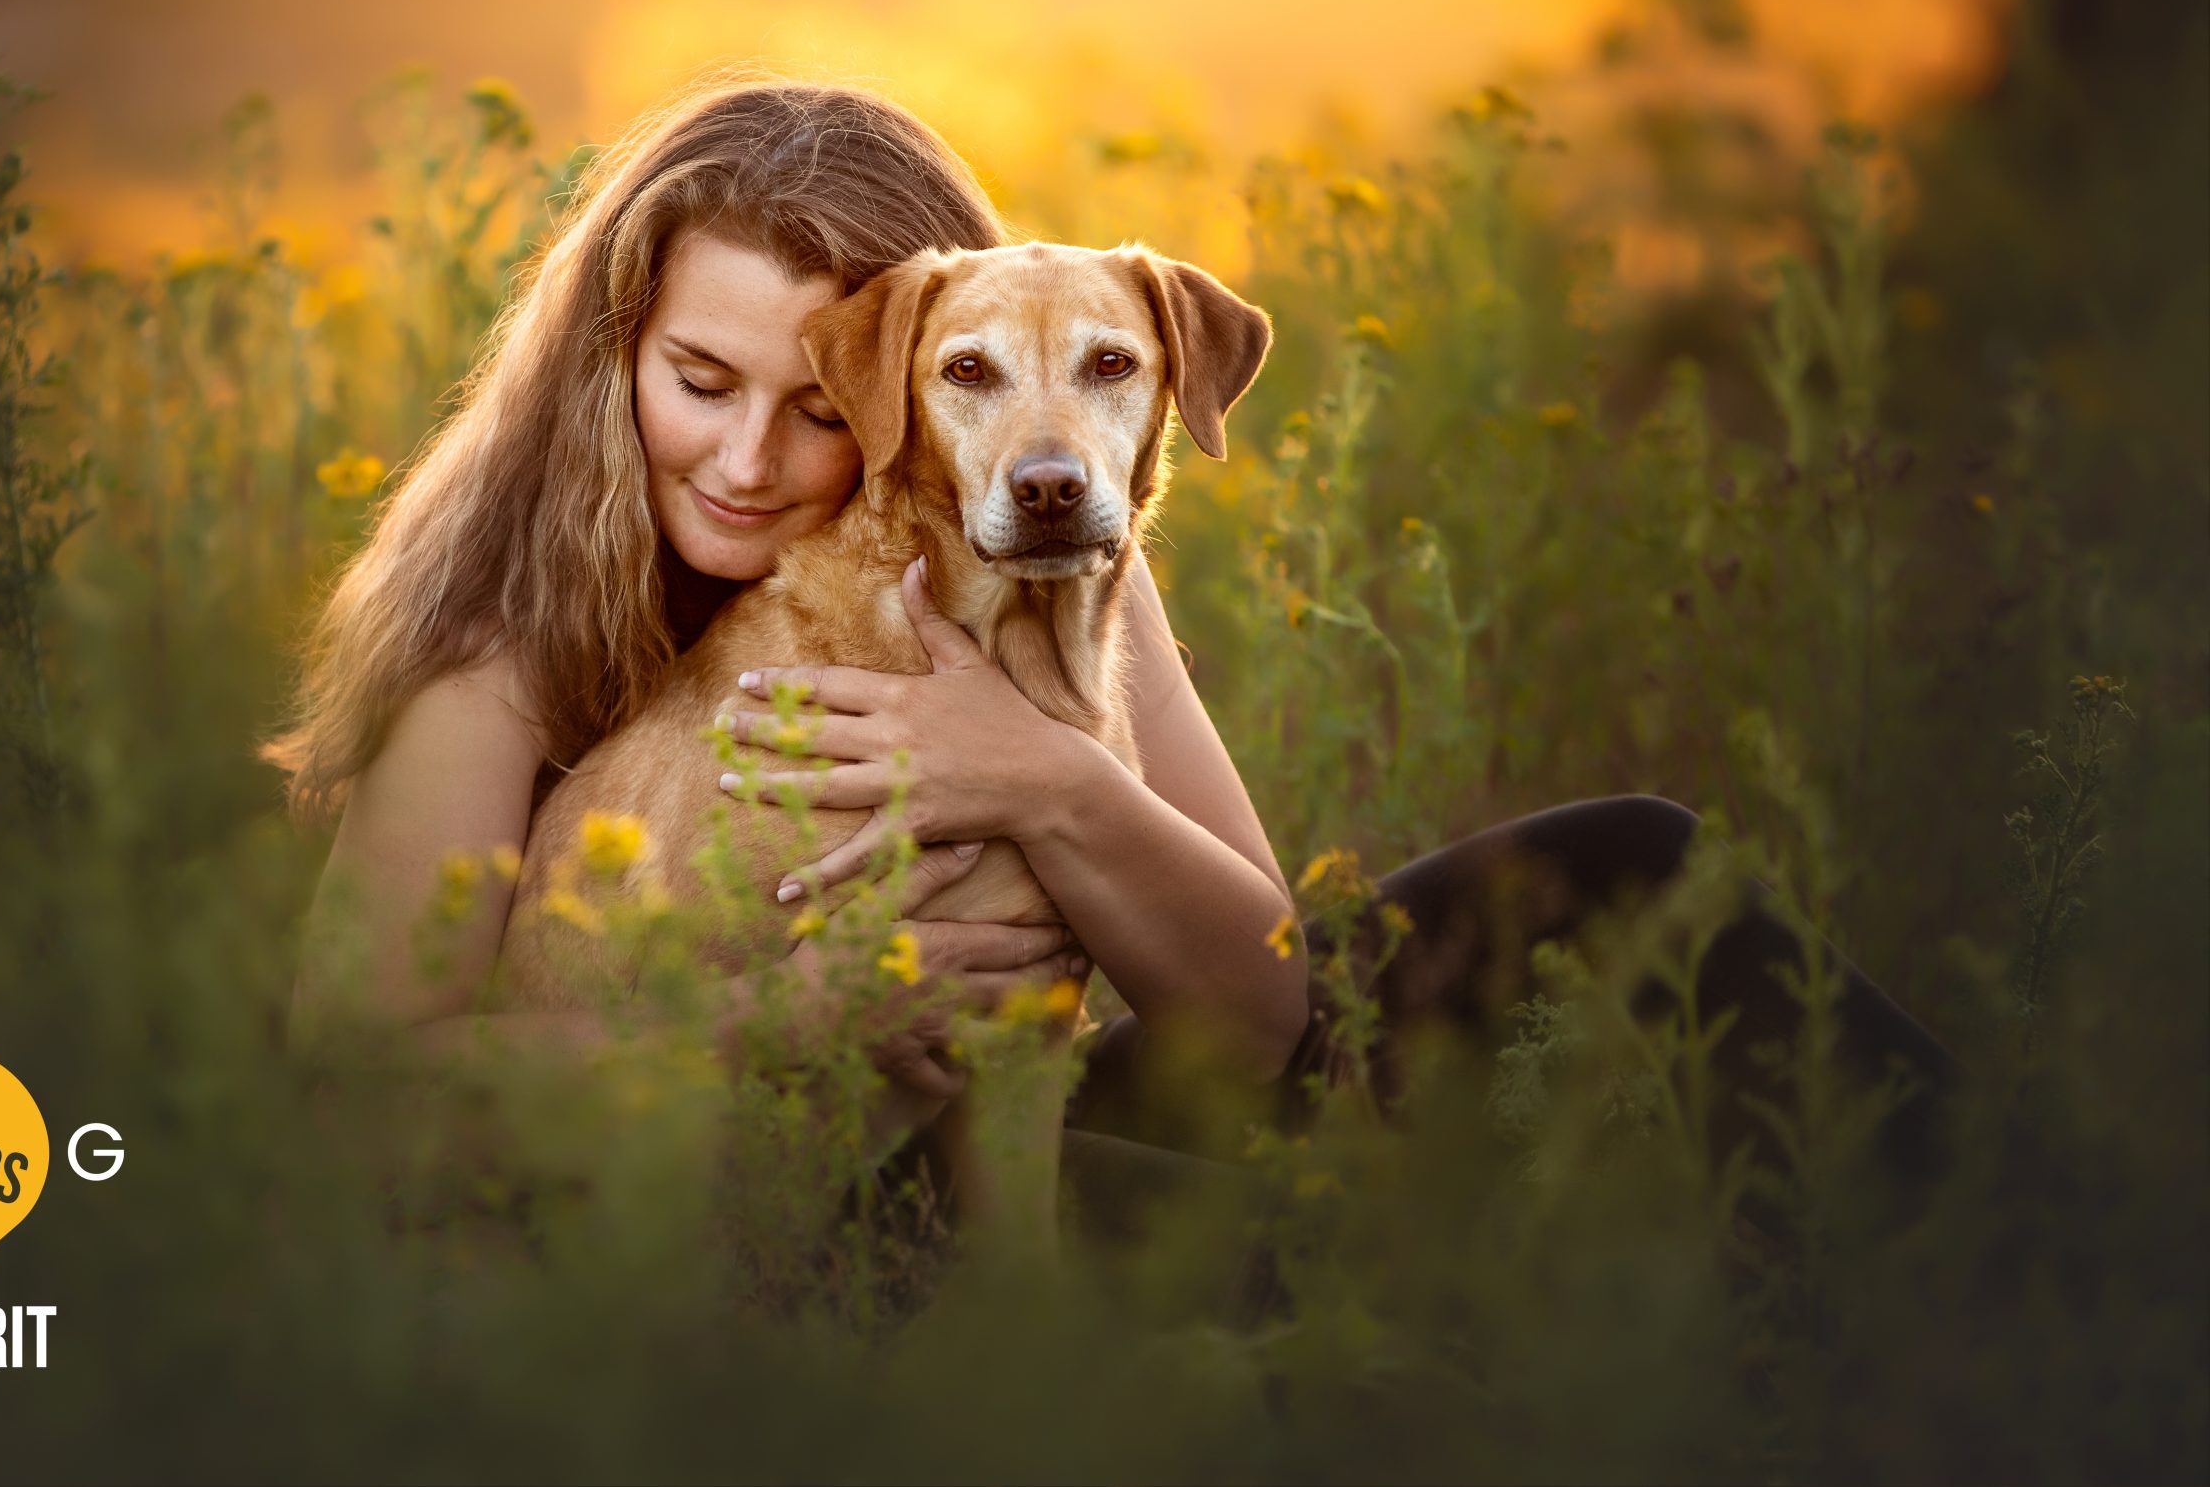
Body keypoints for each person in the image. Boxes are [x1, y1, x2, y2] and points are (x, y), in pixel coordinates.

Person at [264, 72, 1949, 1220]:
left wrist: (1041, 779)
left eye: (820, 406)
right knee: (1367, 1261)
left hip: (1019, 1128)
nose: (753, 459)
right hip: (780, 1218)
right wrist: (774, 1025)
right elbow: (353, 1103)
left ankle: (2006, 1255)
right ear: (613, 357)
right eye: (702, 384)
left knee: (1638, 863)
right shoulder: (497, 656)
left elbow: (1278, 1014)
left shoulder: (1035, 536)